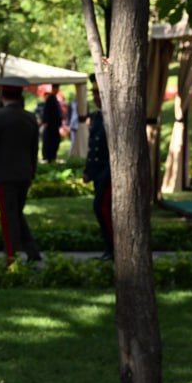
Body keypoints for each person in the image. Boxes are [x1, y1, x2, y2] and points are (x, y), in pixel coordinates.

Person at [0, 85, 42, 264]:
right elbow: (34, 148)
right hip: (24, 173)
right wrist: (32, 172)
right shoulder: (30, 117)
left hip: (4, 174)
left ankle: (11, 255)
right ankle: (31, 250)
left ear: (2, 95)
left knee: (8, 216)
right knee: (16, 213)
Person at [82, 79, 113, 260]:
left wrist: (105, 174)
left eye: (98, 94)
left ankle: (113, 248)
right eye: (94, 93)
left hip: (108, 173)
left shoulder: (112, 117)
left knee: (102, 208)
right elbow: (93, 147)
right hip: (98, 172)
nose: (95, 97)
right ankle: (109, 248)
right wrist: (88, 170)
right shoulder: (96, 117)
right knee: (101, 210)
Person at [40, 83, 63, 163]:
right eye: (56, 88)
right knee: (51, 142)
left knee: (54, 141)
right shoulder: (50, 98)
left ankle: (52, 157)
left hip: (54, 125)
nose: (57, 90)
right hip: (51, 125)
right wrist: (45, 121)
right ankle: (49, 157)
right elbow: (46, 112)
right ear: (53, 89)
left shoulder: (54, 98)